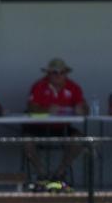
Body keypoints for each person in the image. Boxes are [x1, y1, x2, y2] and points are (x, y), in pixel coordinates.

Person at [24, 58, 87, 186]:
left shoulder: (73, 87)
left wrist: (81, 109)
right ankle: (42, 174)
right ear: (48, 74)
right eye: (54, 72)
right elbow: (30, 108)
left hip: (63, 128)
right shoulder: (39, 86)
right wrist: (46, 110)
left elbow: (85, 109)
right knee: (26, 140)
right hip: (40, 127)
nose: (58, 76)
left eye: (62, 72)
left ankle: (59, 173)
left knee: (80, 139)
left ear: (66, 73)